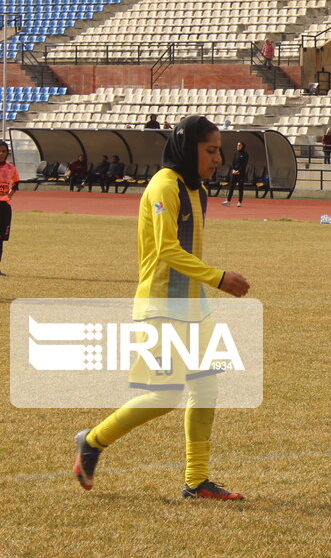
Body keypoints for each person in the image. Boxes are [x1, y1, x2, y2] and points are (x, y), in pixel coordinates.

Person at [72, 115, 252, 500]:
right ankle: (92, 441)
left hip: (194, 306)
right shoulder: (163, 186)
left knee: (206, 389)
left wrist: (206, 287)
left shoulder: (196, 188)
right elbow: (167, 250)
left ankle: (196, 481)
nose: (217, 158)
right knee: (164, 396)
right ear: (189, 148)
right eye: (210, 150)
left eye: (219, 149)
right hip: (162, 305)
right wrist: (218, 277)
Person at [0, 141, 18, 275]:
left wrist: (10, 194)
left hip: (4, 207)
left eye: (4, 151)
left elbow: (16, 182)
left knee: (0, 239)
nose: (1, 154)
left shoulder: (10, 168)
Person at [221, 141, 248, 207]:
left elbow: (244, 164)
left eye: (239, 145)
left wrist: (238, 171)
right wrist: (233, 170)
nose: (238, 146)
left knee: (240, 188)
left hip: (240, 174)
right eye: (237, 145)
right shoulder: (235, 153)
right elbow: (233, 163)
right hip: (234, 173)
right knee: (231, 187)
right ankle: (228, 201)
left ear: (242, 146)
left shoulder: (245, 154)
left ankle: (240, 202)